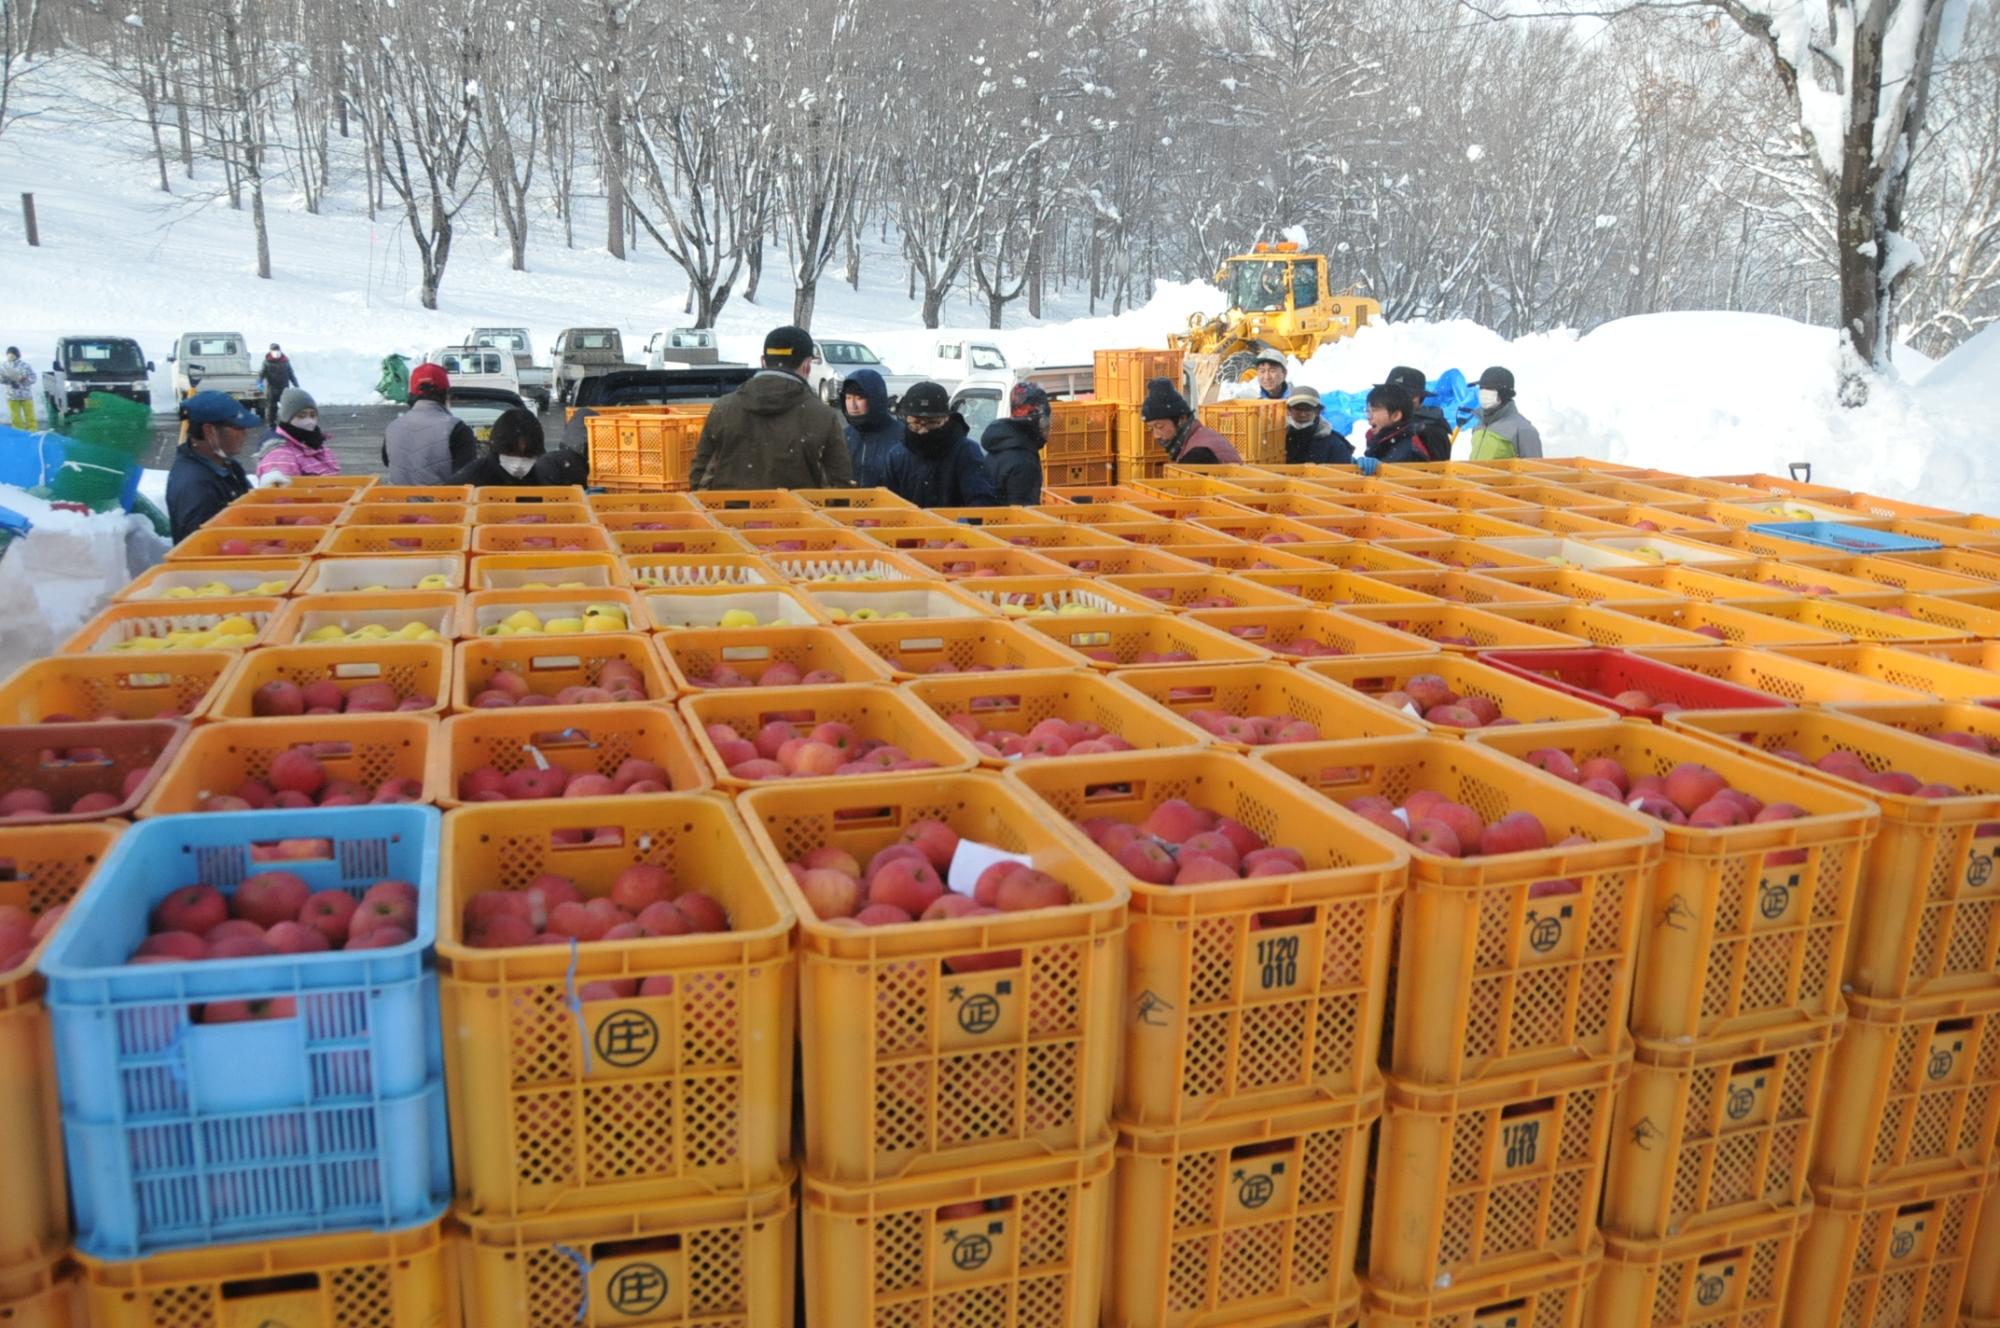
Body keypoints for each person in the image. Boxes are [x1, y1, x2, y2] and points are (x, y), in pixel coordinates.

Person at [688, 325, 852, 490]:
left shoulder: (723, 408)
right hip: (799, 514)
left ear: (763, 362)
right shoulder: (822, 416)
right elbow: (839, 485)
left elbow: (699, 476)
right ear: (807, 365)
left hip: (725, 514)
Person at [883, 381, 999, 507]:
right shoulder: (898, 455)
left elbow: (981, 501)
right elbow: (888, 503)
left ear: (946, 419)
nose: (923, 431)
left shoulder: (966, 452)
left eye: (931, 423)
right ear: (906, 420)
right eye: (916, 423)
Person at [166, 390, 257, 542]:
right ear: (209, 431)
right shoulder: (194, 485)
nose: (245, 433)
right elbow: (202, 544)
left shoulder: (229, 466)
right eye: (237, 427)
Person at [382, 362, 478, 484]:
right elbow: (466, 476)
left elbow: (388, 462)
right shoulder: (457, 429)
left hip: (396, 502)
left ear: (411, 395)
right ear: (446, 394)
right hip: (443, 502)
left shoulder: (393, 427)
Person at [1140, 377, 1243, 466]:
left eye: (1159, 426)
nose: (1156, 435)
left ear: (1181, 419)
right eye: (1151, 428)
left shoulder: (1199, 455)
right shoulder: (1196, 437)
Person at [451, 407, 560, 485]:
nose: (519, 462)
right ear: (497, 448)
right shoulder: (471, 478)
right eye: (511, 453)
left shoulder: (546, 477)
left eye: (528, 455)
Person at [980, 382, 1050, 505]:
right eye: (1045, 420)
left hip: (990, 522)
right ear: (1035, 420)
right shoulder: (1024, 462)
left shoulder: (1001, 446)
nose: (1048, 427)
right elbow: (1023, 516)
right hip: (1005, 522)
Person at [255, 387, 340, 483]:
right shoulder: (280, 456)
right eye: (301, 416)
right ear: (287, 418)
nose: (309, 421)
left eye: (312, 415)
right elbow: (281, 496)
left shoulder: (316, 446)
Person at [1463, 366, 1544, 461]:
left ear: (1504, 394)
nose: (1483, 393)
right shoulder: (1479, 424)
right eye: (1481, 388)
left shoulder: (1523, 430)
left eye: (1490, 389)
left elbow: (1533, 470)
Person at [840, 368, 904, 488]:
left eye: (859, 398)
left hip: (890, 504)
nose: (852, 405)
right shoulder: (844, 436)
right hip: (849, 504)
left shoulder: (902, 435)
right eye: (848, 398)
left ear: (875, 399)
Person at [1354, 383, 1435, 475]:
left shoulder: (1409, 449)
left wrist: (1380, 469)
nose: (1369, 416)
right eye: (1368, 411)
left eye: (1375, 410)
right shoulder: (1381, 441)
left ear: (1396, 416)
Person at [1385, 364, 1452, 462]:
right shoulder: (1385, 423)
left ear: (1416, 398)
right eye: (1388, 394)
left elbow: (1436, 470)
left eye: (1398, 395)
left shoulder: (1432, 430)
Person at [1283, 386, 1354, 465]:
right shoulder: (1278, 437)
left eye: (1308, 409)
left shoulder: (1335, 443)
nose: (1302, 414)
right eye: (1298, 408)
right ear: (1289, 410)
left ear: (1318, 411)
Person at [258, 343, 299, 427]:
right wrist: (259, 382)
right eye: (274, 351)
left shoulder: (285, 361)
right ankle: (271, 423)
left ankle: (287, 422)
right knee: (271, 407)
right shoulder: (266, 362)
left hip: (284, 387)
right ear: (271, 351)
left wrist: (295, 383)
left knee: (286, 406)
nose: (276, 353)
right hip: (272, 388)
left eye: (277, 351)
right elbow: (261, 373)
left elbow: (290, 373)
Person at [1, 348, 37, 430]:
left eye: (13, 354)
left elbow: (33, 378)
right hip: (12, 395)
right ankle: (18, 433)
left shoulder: (25, 365)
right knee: (15, 417)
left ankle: (33, 431)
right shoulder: (4, 365)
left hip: (26, 395)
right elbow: (1, 379)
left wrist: (24, 379)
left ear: (17, 354)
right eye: (9, 354)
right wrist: (6, 379)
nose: (11, 356)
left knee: (30, 415)